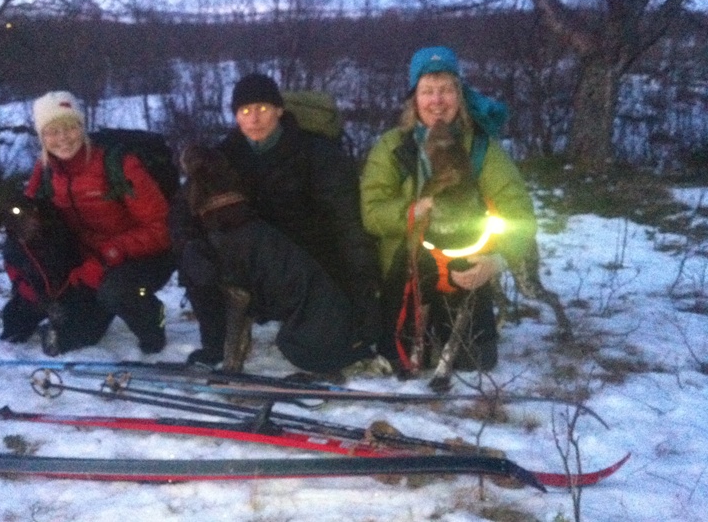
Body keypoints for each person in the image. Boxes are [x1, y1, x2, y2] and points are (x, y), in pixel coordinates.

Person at [179, 73, 384, 374]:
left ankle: (320, 333)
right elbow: (181, 213)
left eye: (262, 108)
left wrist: (365, 302)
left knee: (314, 350)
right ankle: (217, 342)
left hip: (309, 263)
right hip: (253, 267)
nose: (254, 118)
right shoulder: (221, 158)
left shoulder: (318, 154)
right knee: (202, 249)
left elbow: (348, 228)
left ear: (279, 110)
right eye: (245, 111)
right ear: (236, 116)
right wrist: (189, 248)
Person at [360, 46, 537, 374]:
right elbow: (372, 213)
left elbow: (520, 216)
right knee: (407, 359)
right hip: (408, 264)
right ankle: (417, 324)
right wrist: (412, 211)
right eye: (427, 91)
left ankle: (453, 319)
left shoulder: (482, 149)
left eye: (446, 90)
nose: (437, 101)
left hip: (465, 263)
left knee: (476, 361)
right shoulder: (392, 147)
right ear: (414, 98)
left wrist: (497, 260)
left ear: (460, 94)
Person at [2, 90, 177, 355]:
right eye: (52, 131)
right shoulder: (46, 171)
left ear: (82, 127)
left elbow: (162, 228)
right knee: (70, 337)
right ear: (42, 137)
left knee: (115, 291)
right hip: (89, 262)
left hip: (144, 256)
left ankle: (153, 317)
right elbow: (30, 227)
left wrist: (110, 253)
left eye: (70, 128)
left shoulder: (119, 165)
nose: (62, 139)